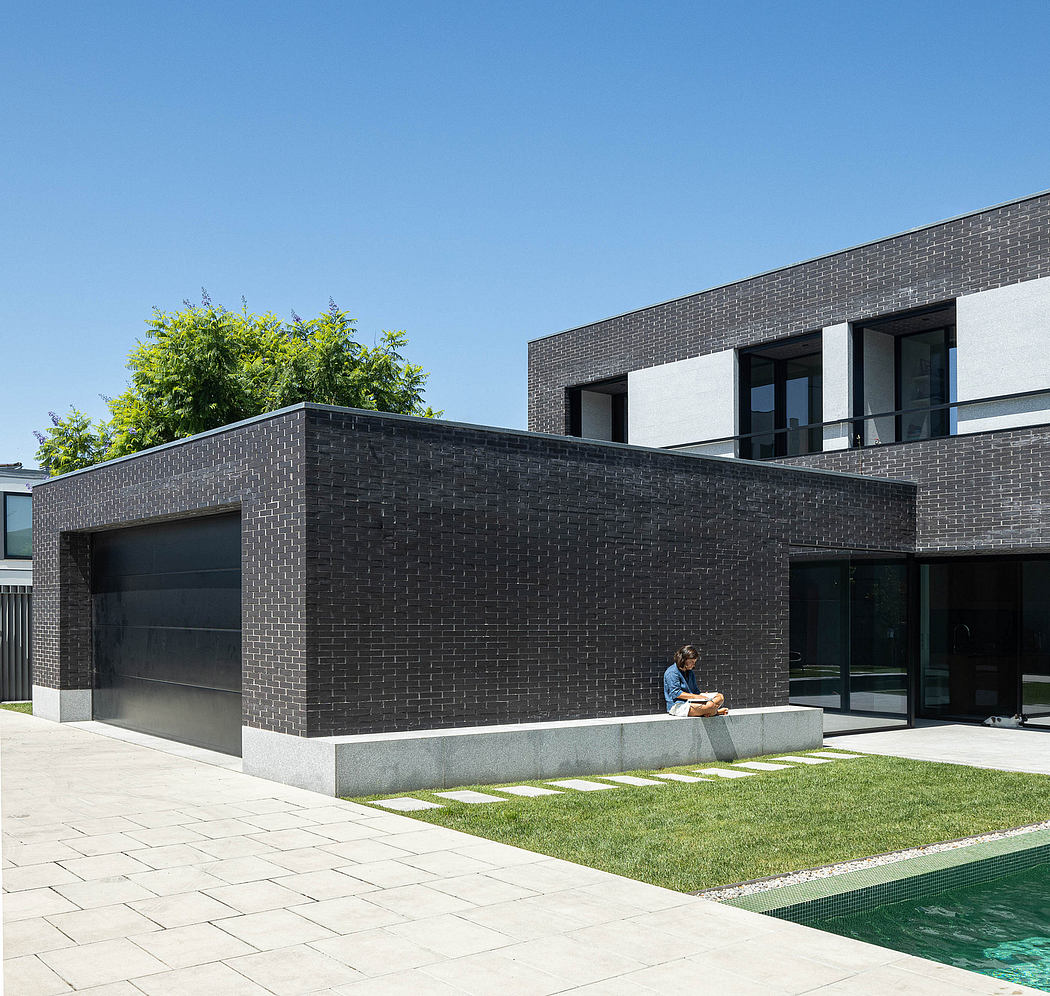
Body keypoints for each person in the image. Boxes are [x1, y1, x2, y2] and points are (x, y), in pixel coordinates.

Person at [663, 645, 728, 717]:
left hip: (692, 701)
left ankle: (709, 711)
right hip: (678, 705)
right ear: (683, 660)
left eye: (695, 661)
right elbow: (676, 693)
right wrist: (697, 697)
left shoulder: (690, 672)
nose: (694, 664)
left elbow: (695, 691)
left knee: (720, 697)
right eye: (691, 661)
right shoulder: (672, 672)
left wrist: (703, 695)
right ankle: (715, 711)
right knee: (710, 705)